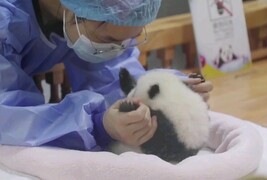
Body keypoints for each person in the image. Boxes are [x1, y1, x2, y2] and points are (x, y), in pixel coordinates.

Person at [0, 0, 213, 151]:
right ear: (72, 13)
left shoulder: (89, 16)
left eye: (131, 38)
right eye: (109, 39)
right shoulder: (6, 21)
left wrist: (168, 92)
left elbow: (115, 77)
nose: (117, 49)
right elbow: (9, 118)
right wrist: (98, 125)